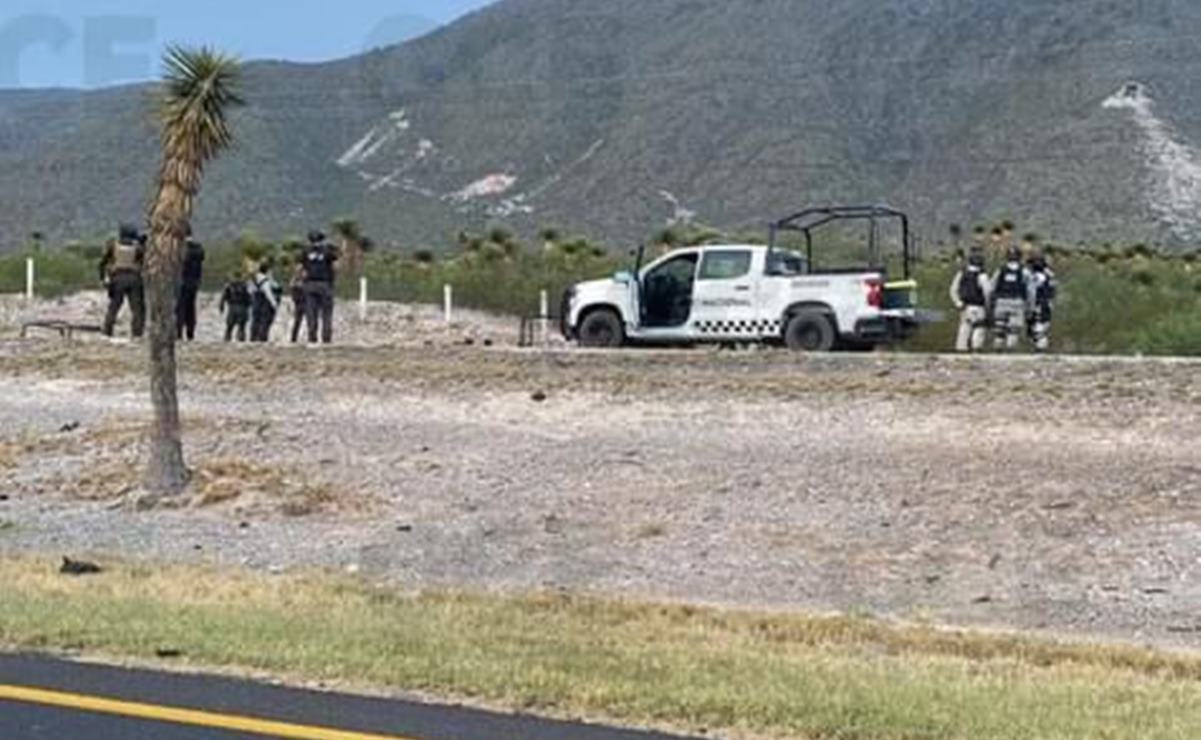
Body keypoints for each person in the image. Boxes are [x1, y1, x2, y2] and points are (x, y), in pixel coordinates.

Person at [99, 223, 146, 339]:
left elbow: (102, 263)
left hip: (117, 278)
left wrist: (102, 278)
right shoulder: (138, 248)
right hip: (134, 278)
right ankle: (137, 333)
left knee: (114, 307)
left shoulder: (113, 245)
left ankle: (107, 330)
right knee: (137, 309)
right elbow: (144, 262)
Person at [990, 247, 1034, 351]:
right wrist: (1030, 307)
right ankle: (1010, 352)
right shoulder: (1025, 271)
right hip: (1017, 303)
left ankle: (997, 350)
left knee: (999, 330)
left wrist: (991, 303)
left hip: (1001, 302)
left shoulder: (1000, 270)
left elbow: (991, 287)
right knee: (1013, 330)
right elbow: (1031, 291)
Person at [949, 249, 991, 353]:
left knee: (964, 328)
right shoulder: (982, 275)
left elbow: (953, 289)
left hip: (965, 306)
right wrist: (988, 306)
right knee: (979, 328)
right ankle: (976, 349)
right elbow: (988, 292)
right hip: (978, 306)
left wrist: (958, 303)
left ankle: (961, 350)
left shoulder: (962, 273)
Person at [301, 230, 339, 344]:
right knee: (326, 313)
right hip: (324, 284)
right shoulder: (328, 251)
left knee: (311, 312)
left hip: (310, 283)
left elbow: (300, 270)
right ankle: (326, 337)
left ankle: (312, 336)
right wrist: (333, 279)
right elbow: (335, 267)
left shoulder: (305, 252)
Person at [176, 226, 205, 341]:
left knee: (180, 308)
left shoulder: (180, 249)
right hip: (194, 282)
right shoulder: (199, 248)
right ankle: (190, 333)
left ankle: (178, 333)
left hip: (182, 281)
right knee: (191, 308)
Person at [1027, 253, 1058, 353]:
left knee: (1038, 328)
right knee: (1038, 327)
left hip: (1039, 304)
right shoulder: (1049, 274)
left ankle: (1041, 350)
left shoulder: (1038, 276)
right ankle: (1040, 347)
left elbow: (1032, 291)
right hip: (1047, 304)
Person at [250, 257, 282, 343]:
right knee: (265, 322)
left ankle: (253, 338)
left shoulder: (254, 279)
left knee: (255, 321)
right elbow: (269, 294)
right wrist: (274, 304)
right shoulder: (265, 281)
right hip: (264, 304)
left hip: (256, 302)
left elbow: (250, 290)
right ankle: (262, 338)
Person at [219, 271, 252, 343]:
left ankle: (226, 342)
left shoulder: (229, 286)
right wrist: (249, 306)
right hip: (242, 308)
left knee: (229, 328)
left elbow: (223, 298)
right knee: (242, 328)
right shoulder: (245, 285)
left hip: (232, 308)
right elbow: (250, 298)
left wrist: (221, 307)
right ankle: (241, 343)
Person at [288, 260, 306, 344]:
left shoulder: (294, 282)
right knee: (298, 322)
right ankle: (293, 338)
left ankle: (293, 339)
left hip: (299, 303)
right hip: (302, 303)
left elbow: (292, 293)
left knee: (297, 322)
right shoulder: (301, 282)